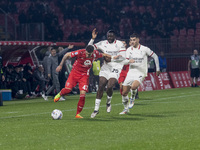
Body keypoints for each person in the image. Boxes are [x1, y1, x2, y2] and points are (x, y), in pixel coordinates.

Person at [54, 45, 111, 118]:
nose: (88, 55)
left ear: (92, 52)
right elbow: (66, 55)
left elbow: (104, 54)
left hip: (84, 76)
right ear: (85, 51)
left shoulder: (95, 54)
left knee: (83, 95)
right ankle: (60, 94)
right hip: (74, 74)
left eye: (89, 54)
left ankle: (77, 114)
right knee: (68, 90)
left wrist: (113, 57)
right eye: (87, 53)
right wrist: (60, 65)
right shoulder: (80, 52)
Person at [88, 28, 126, 118]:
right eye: (108, 36)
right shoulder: (102, 43)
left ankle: (108, 102)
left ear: (114, 37)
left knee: (109, 86)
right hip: (106, 67)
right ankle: (96, 109)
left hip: (116, 66)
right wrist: (92, 39)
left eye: (111, 36)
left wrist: (111, 58)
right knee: (101, 86)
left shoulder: (120, 44)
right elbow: (89, 48)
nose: (109, 37)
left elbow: (123, 57)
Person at [118, 33, 160, 114]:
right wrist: (128, 61)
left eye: (134, 40)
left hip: (141, 72)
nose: (132, 41)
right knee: (124, 92)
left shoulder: (144, 49)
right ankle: (126, 109)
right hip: (131, 72)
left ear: (138, 40)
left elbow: (155, 56)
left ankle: (132, 98)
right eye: (131, 40)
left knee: (134, 86)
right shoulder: (129, 50)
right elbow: (124, 61)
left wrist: (158, 69)